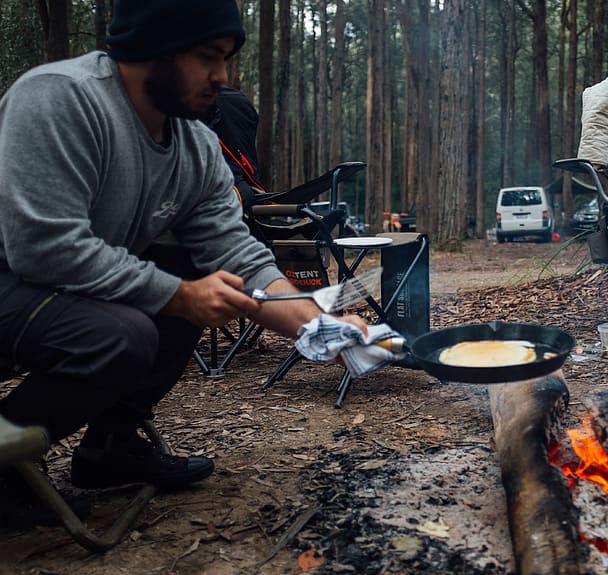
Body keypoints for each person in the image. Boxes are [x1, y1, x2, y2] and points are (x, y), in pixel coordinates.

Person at [0, 0, 367, 526]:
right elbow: (44, 248)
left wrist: (319, 326)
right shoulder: (60, 99)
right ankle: (5, 470)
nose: (222, 76)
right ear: (154, 47)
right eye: (207, 57)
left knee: (185, 276)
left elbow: (238, 255)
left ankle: (111, 450)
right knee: (134, 324)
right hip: (12, 277)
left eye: (226, 58)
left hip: (54, 291)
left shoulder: (196, 146)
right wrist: (178, 295)